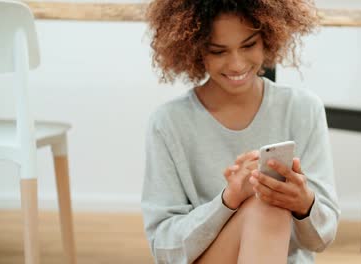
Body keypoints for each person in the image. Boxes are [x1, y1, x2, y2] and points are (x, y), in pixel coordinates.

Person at [141, 0, 340, 263]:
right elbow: (164, 247)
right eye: (218, 51)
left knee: (269, 204)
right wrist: (227, 201)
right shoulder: (168, 123)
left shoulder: (303, 109)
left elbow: (320, 239)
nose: (236, 64)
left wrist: (304, 205)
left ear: (267, 37)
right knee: (263, 204)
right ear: (196, 49)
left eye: (248, 45)